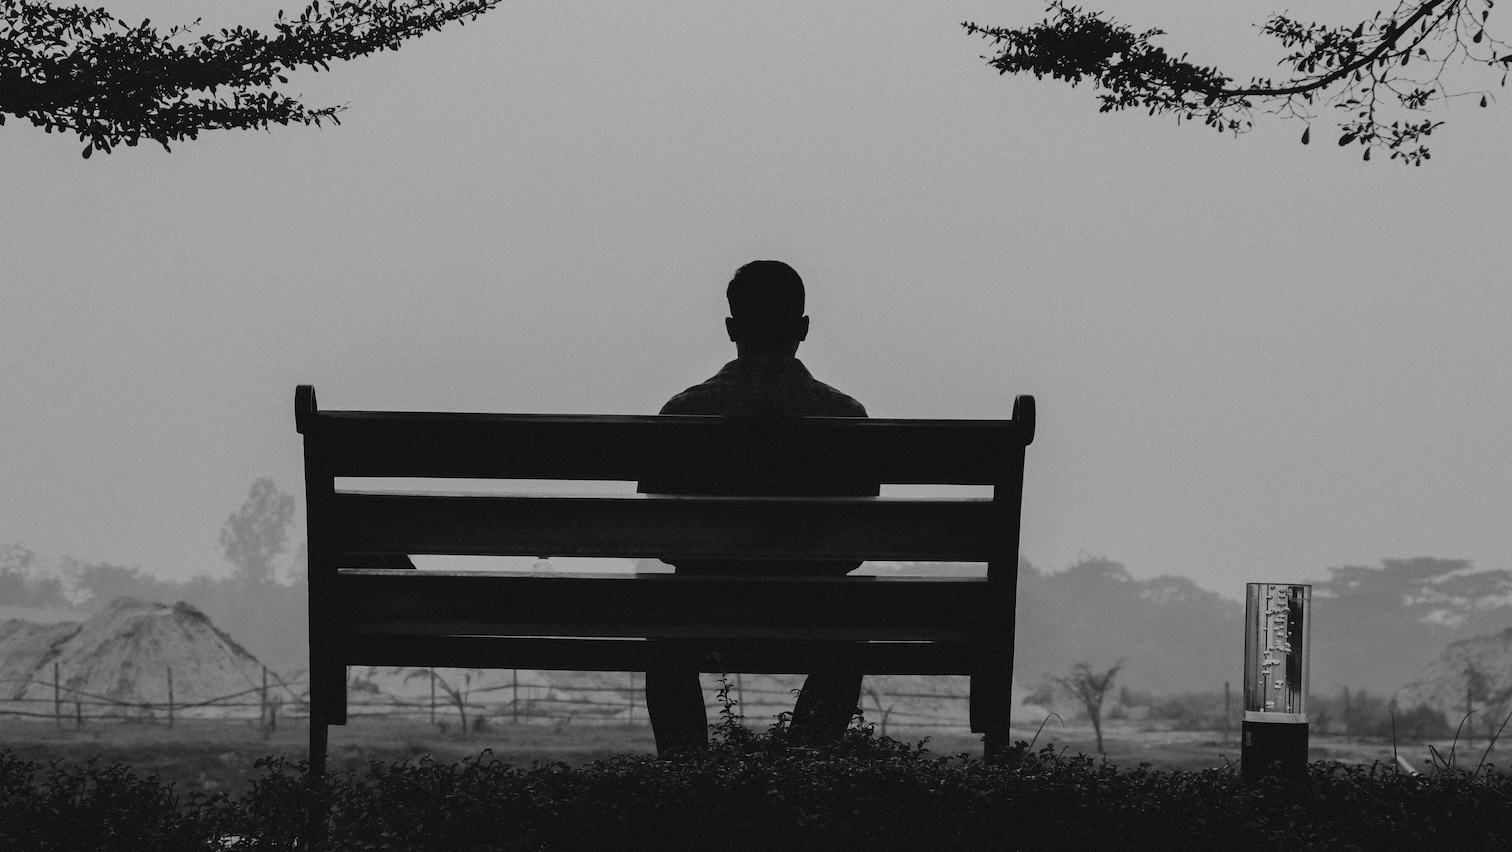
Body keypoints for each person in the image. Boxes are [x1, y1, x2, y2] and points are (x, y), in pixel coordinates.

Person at [638, 260, 878, 754]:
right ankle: (801, 765)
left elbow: (661, 539)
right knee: (848, 637)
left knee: (665, 638)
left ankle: (687, 771)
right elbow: (854, 549)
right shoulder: (846, 418)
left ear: (732, 329)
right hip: (813, 610)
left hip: (703, 607)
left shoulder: (683, 413)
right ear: (803, 328)